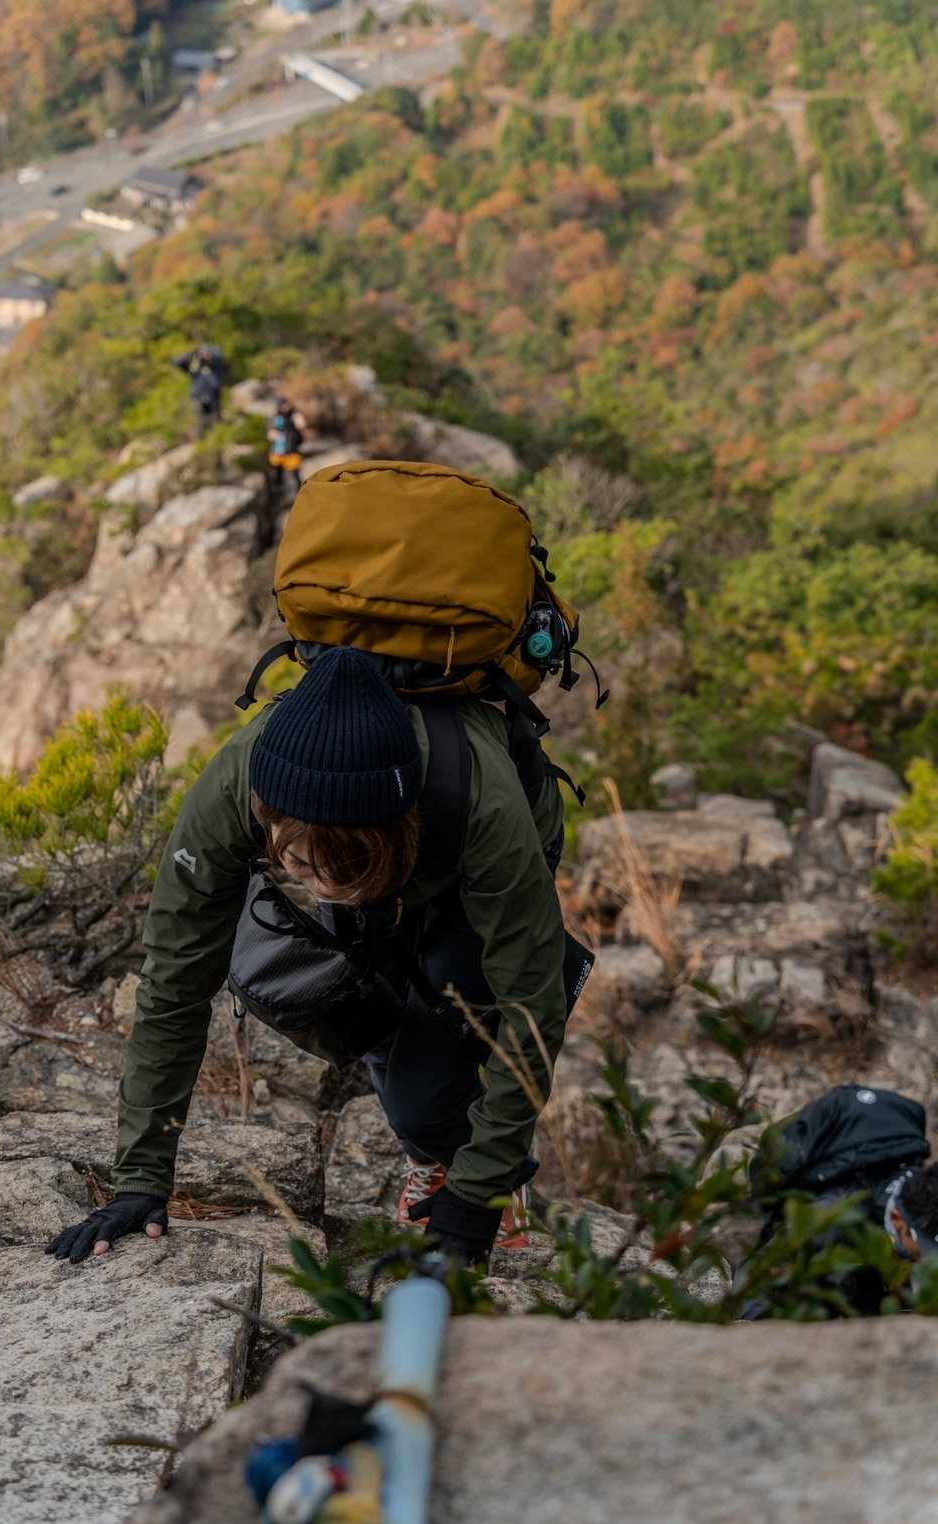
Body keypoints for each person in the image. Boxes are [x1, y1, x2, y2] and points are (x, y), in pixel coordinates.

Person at [46, 647, 572, 1269]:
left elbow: (532, 1002)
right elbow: (173, 984)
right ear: (268, 821)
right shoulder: (230, 795)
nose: (322, 887)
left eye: (342, 873)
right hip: (378, 844)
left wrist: (480, 1188)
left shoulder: (487, 811)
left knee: (455, 1018)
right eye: (301, 867)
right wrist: (141, 1177)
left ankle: (483, 1168)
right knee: (376, 1025)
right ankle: (436, 1152)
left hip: (463, 844)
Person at [741, 1083, 938, 1315]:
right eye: (923, 1249)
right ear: (897, 1220)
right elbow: (758, 1272)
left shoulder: (926, 1187)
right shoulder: (832, 1217)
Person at [173, 344, 228, 435]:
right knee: (199, 425)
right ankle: (200, 439)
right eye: (203, 353)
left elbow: (217, 383)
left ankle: (216, 438)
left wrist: (209, 364)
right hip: (197, 399)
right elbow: (176, 362)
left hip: (213, 400)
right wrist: (193, 353)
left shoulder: (216, 366)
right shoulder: (195, 366)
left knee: (216, 426)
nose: (205, 356)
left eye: (207, 353)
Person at [265, 396, 307, 506]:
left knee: (295, 477)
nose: (285, 407)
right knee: (276, 478)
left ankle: (299, 500)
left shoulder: (294, 414)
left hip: (292, 450)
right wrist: (273, 434)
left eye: (286, 404)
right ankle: (277, 501)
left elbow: (301, 425)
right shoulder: (275, 418)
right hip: (277, 452)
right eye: (283, 405)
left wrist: (298, 420)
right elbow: (270, 434)